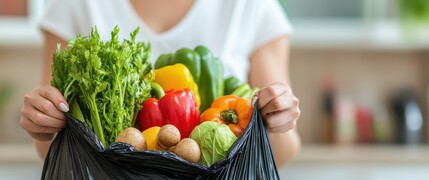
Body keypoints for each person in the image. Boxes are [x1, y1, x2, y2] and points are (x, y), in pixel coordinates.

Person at [20, 0, 301, 168]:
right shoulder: (75, 5)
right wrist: (44, 123)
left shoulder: (251, 7)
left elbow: (282, 152)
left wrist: (278, 117)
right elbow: (50, 150)